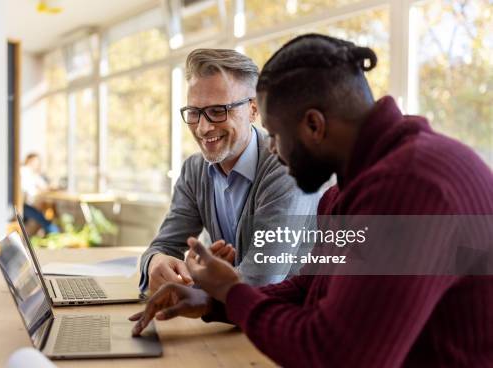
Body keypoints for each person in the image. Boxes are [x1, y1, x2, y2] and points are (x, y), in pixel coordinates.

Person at [131, 34, 493, 367]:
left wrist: (231, 291)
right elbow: (308, 289)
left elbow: (338, 355)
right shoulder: (349, 188)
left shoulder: (409, 187)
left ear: (314, 126)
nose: (272, 149)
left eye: (274, 135)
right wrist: (215, 301)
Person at [139, 49, 319, 293]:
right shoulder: (194, 170)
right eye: (194, 112)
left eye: (217, 111)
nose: (203, 128)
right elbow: (164, 245)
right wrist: (155, 262)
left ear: (254, 110)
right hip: (233, 320)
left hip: (294, 318)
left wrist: (203, 277)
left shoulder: (287, 166)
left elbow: (261, 280)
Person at [20, 153, 59, 234]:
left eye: (38, 163)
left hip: (32, 205)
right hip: (24, 205)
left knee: (44, 218)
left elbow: (43, 186)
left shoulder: (33, 174)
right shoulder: (24, 171)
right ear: (29, 161)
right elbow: (30, 192)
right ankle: (55, 234)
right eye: (35, 162)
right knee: (45, 221)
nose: (37, 165)